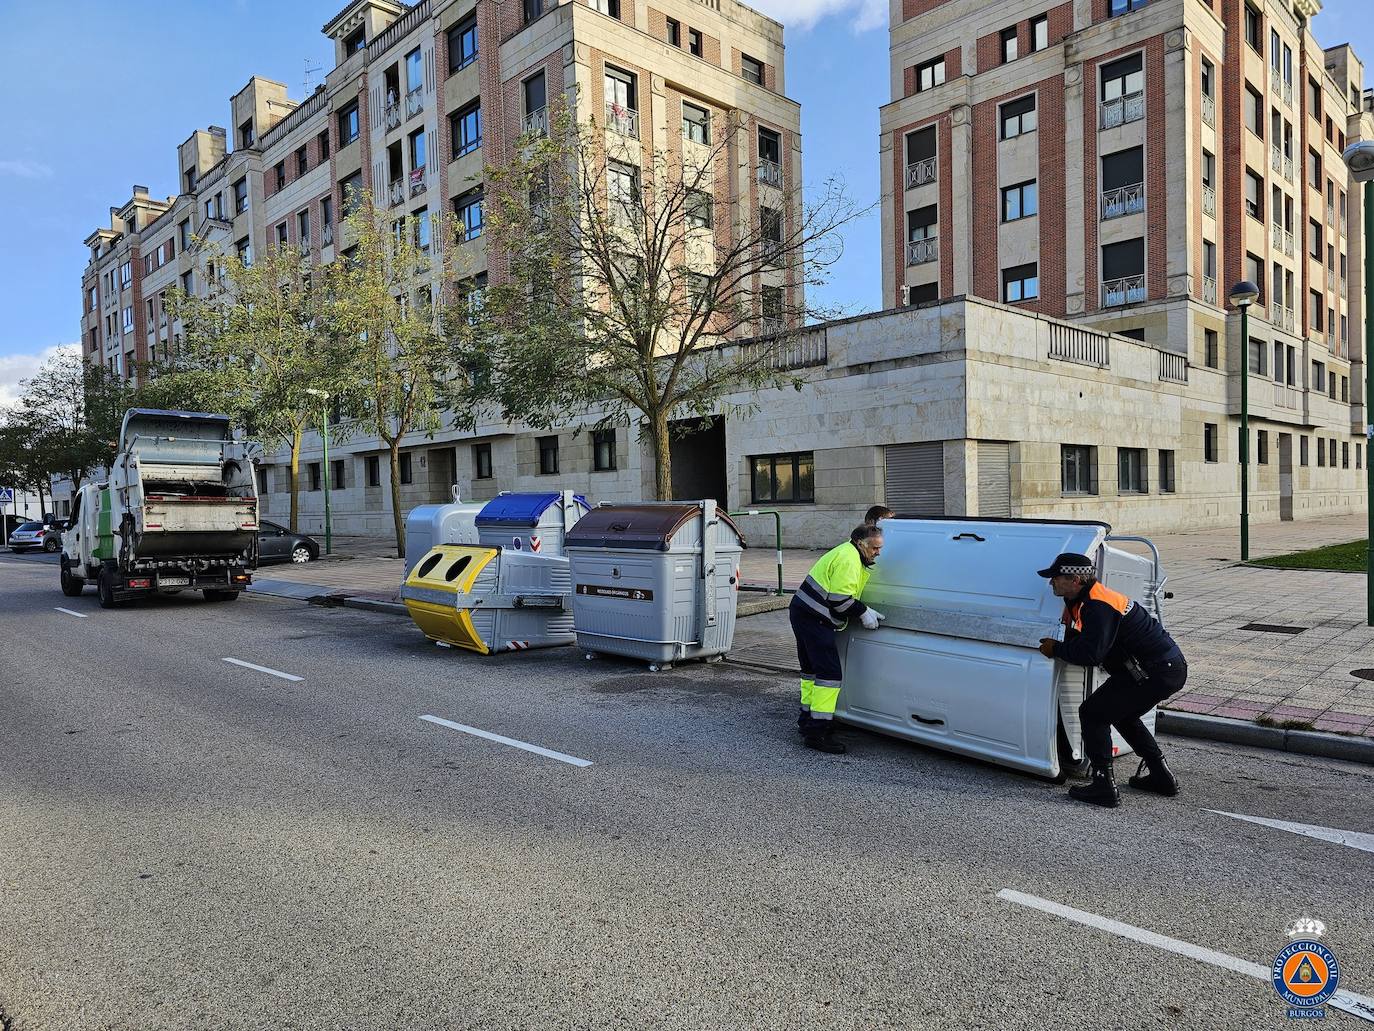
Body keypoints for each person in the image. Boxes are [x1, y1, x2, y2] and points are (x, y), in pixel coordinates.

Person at [1036, 553, 1187, 808]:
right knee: (1122, 715)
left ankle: (1103, 785)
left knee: (1093, 713)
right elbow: (1097, 639)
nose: (1051, 583)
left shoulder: (1097, 604)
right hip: (1167, 669)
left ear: (1074, 580)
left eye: (1055, 578)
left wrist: (1057, 649)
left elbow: (1092, 654)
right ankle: (1162, 777)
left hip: (1155, 671)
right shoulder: (1091, 598)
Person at [790, 524, 885, 754]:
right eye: (874, 548)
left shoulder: (847, 551)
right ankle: (818, 732)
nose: (878, 553)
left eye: (880, 548)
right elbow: (840, 601)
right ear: (861, 544)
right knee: (829, 675)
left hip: (804, 613)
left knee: (811, 671)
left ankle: (808, 720)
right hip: (815, 618)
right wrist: (863, 612)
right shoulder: (849, 560)